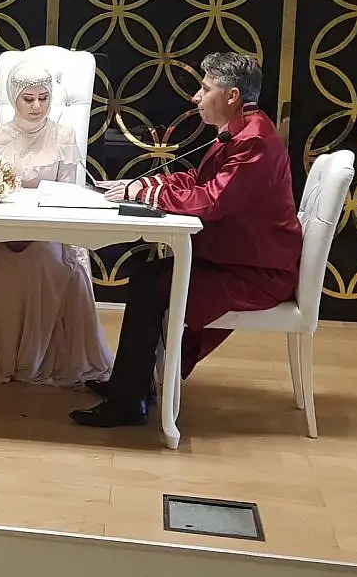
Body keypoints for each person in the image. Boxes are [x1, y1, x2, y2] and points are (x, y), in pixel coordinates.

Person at [70, 52, 303, 428]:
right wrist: (141, 185)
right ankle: (132, 386)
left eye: (205, 89)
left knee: (150, 288)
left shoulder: (254, 141)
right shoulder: (242, 130)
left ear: (231, 96)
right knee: (145, 276)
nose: (196, 97)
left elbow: (212, 200)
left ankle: (128, 402)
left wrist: (144, 194)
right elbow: (199, 180)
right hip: (240, 258)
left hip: (256, 273)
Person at [0, 61, 114, 387]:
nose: (37, 106)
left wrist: (39, 231)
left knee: (43, 262)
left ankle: (33, 359)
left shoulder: (64, 136)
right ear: (14, 98)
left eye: (43, 98)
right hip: (1, 232)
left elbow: (69, 194)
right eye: (28, 99)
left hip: (48, 232)